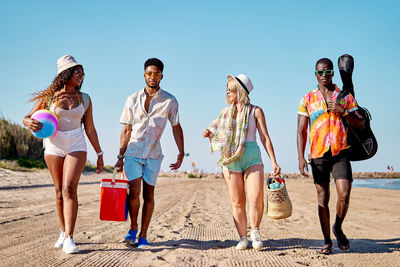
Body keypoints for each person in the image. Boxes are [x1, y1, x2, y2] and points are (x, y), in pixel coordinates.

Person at [23, 55, 104, 254]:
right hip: (53, 145)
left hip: (77, 143)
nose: (81, 76)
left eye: (82, 73)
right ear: (65, 74)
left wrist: (99, 153)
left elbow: (90, 129)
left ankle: (69, 237)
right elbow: (27, 117)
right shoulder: (49, 97)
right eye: (77, 72)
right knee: (59, 192)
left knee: (69, 188)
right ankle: (63, 230)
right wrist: (29, 123)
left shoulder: (84, 98)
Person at [203, 74, 280, 250]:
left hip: (252, 156)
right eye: (227, 88)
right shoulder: (225, 112)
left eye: (231, 88)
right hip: (231, 159)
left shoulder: (256, 111)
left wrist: (274, 162)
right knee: (237, 201)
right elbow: (219, 131)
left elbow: (265, 138)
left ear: (241, 91)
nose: (227, 91)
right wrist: (210, 134)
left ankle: (255, 231)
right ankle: (242, 237)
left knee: (256, 197)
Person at [297, 58, 365, 254]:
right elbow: (301, 129)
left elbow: (361, 123)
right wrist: (301, 157)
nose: (324, 76)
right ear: (315, 74)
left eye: (328, 72)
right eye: (321, 72)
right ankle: (327, 240)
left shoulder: (344, 96)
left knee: (344, 194)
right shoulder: (307, 99)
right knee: (322, 198)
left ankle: (338, 227)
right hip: (318, 154)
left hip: (341, 152)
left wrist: (342, 111)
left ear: (333, 73)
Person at [115, 58, 184, 248]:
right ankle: (133, 229)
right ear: (144, 75)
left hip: (154, 154)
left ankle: (144, 235)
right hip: (133, 152)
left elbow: (176, 127)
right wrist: (120, 156)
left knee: (149, 195)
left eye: (156, 74)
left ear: (161, 76)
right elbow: (126, 130)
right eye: (148, 73)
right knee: (134, 191)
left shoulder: (170, 101)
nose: (152, 77)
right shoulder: (132, 99)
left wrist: (181, 152)